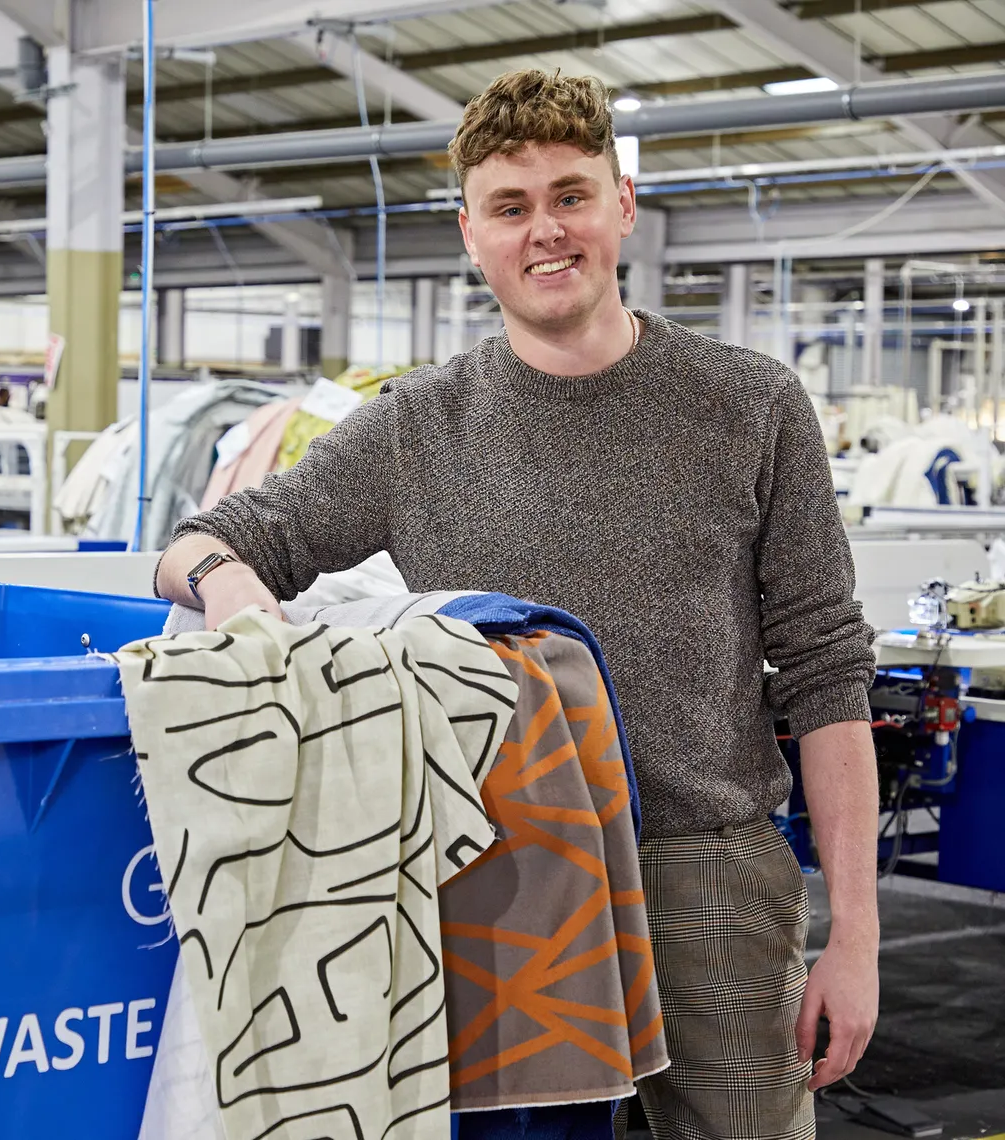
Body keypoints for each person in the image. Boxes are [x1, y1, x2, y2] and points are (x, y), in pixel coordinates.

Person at [154, 68, 879, 1140]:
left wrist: (854, 935)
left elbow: (824, 674)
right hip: (501, 876)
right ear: (469, 233)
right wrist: (232, 596)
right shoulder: (414, 429)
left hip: (708, 875)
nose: (545, 232)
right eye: (509, 206)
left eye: (569, 196)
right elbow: (199, 544)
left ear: (620, 207)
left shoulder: (750, 403)